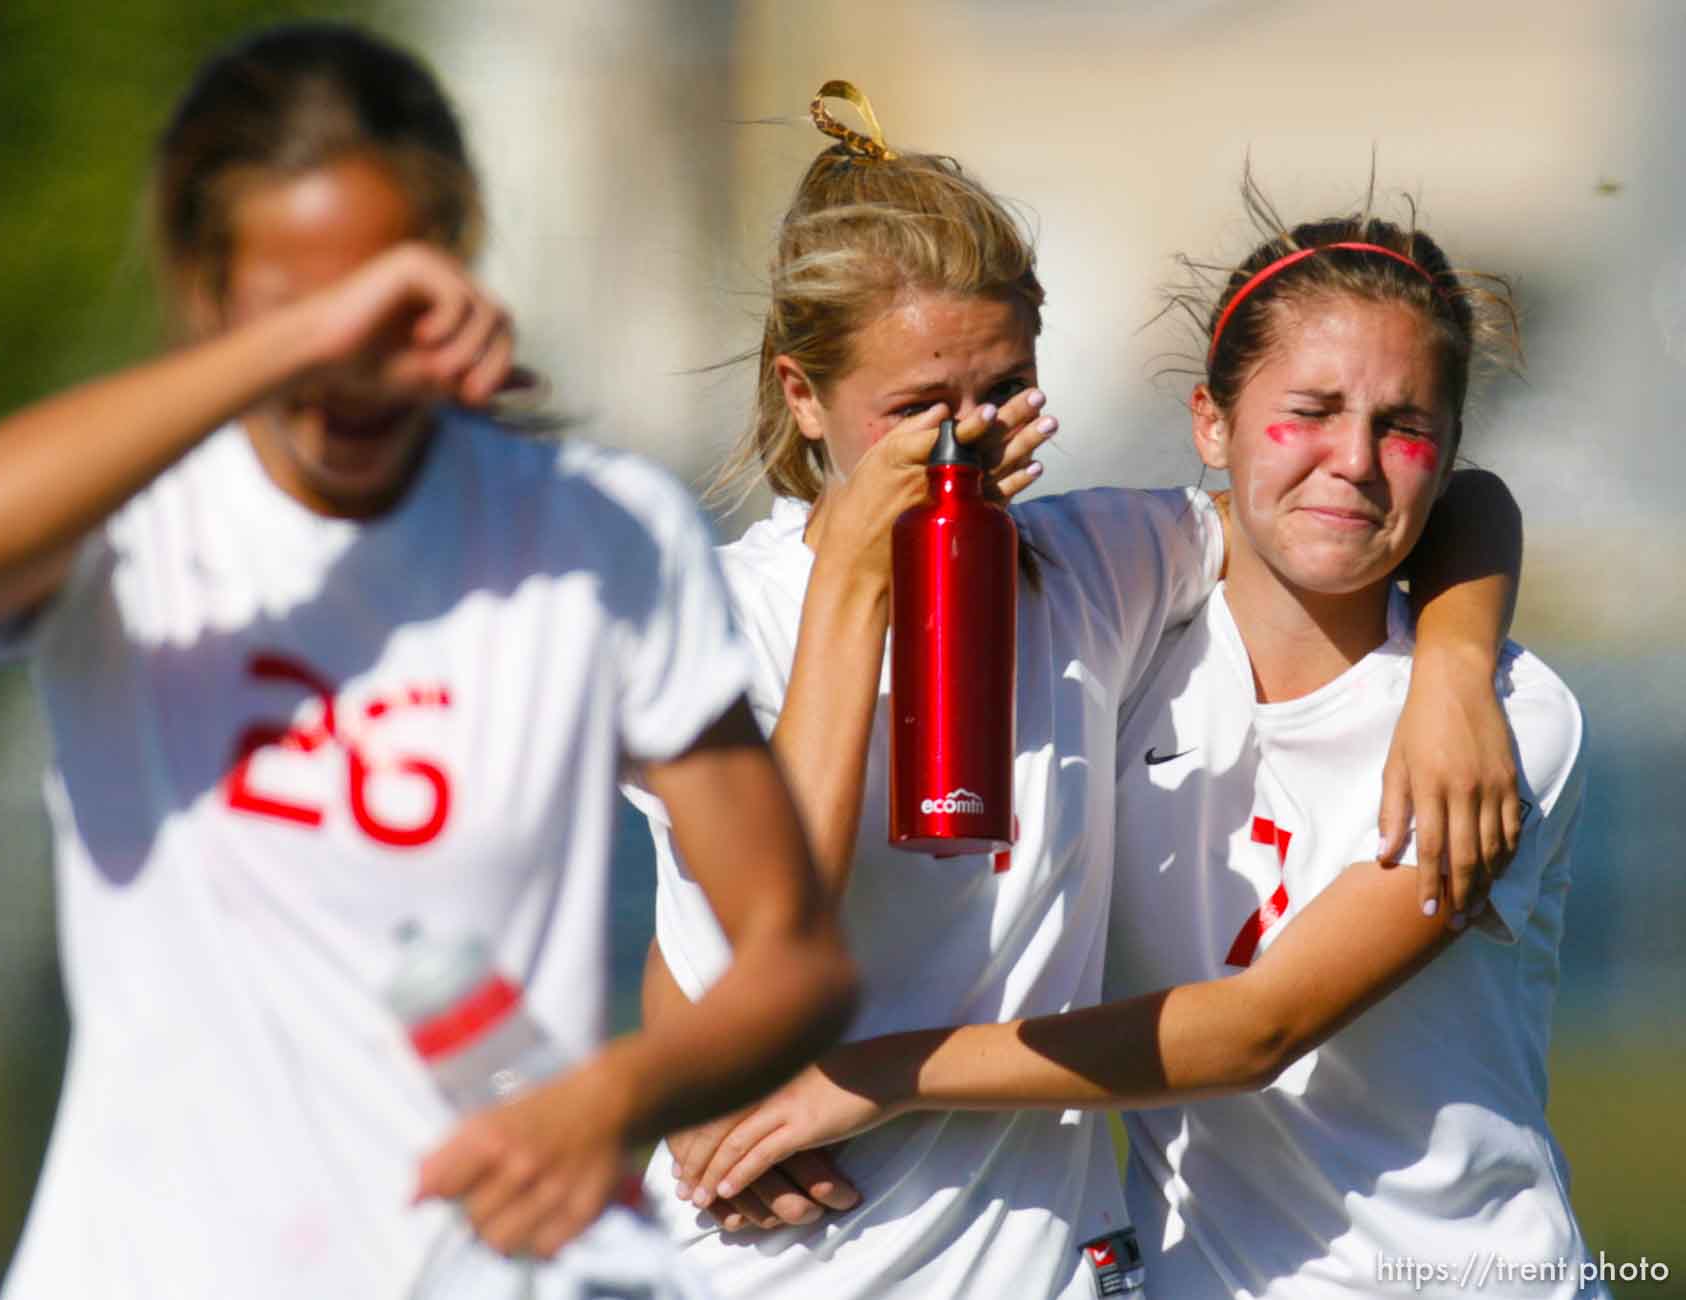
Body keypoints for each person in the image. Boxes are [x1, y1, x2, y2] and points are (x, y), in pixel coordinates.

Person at [0, 22, 855, 1299]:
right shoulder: (125, 522)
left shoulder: (593, 532)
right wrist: (302, 338)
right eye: (295, 309)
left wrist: (608, 1098)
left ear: (448, 271)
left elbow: (797, 957)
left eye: (382, 292)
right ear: (206, 292)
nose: (343, 364)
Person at [635, 88, 1527, 1300]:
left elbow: (1363, 502)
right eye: (913, 412)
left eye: (1001, 392)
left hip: (1043, 1265)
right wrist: (855, 587)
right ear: (804, 397)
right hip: (780, 1258)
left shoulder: (1091, 564)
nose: (964, 446)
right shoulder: (706, 615)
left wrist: (1458, 671)